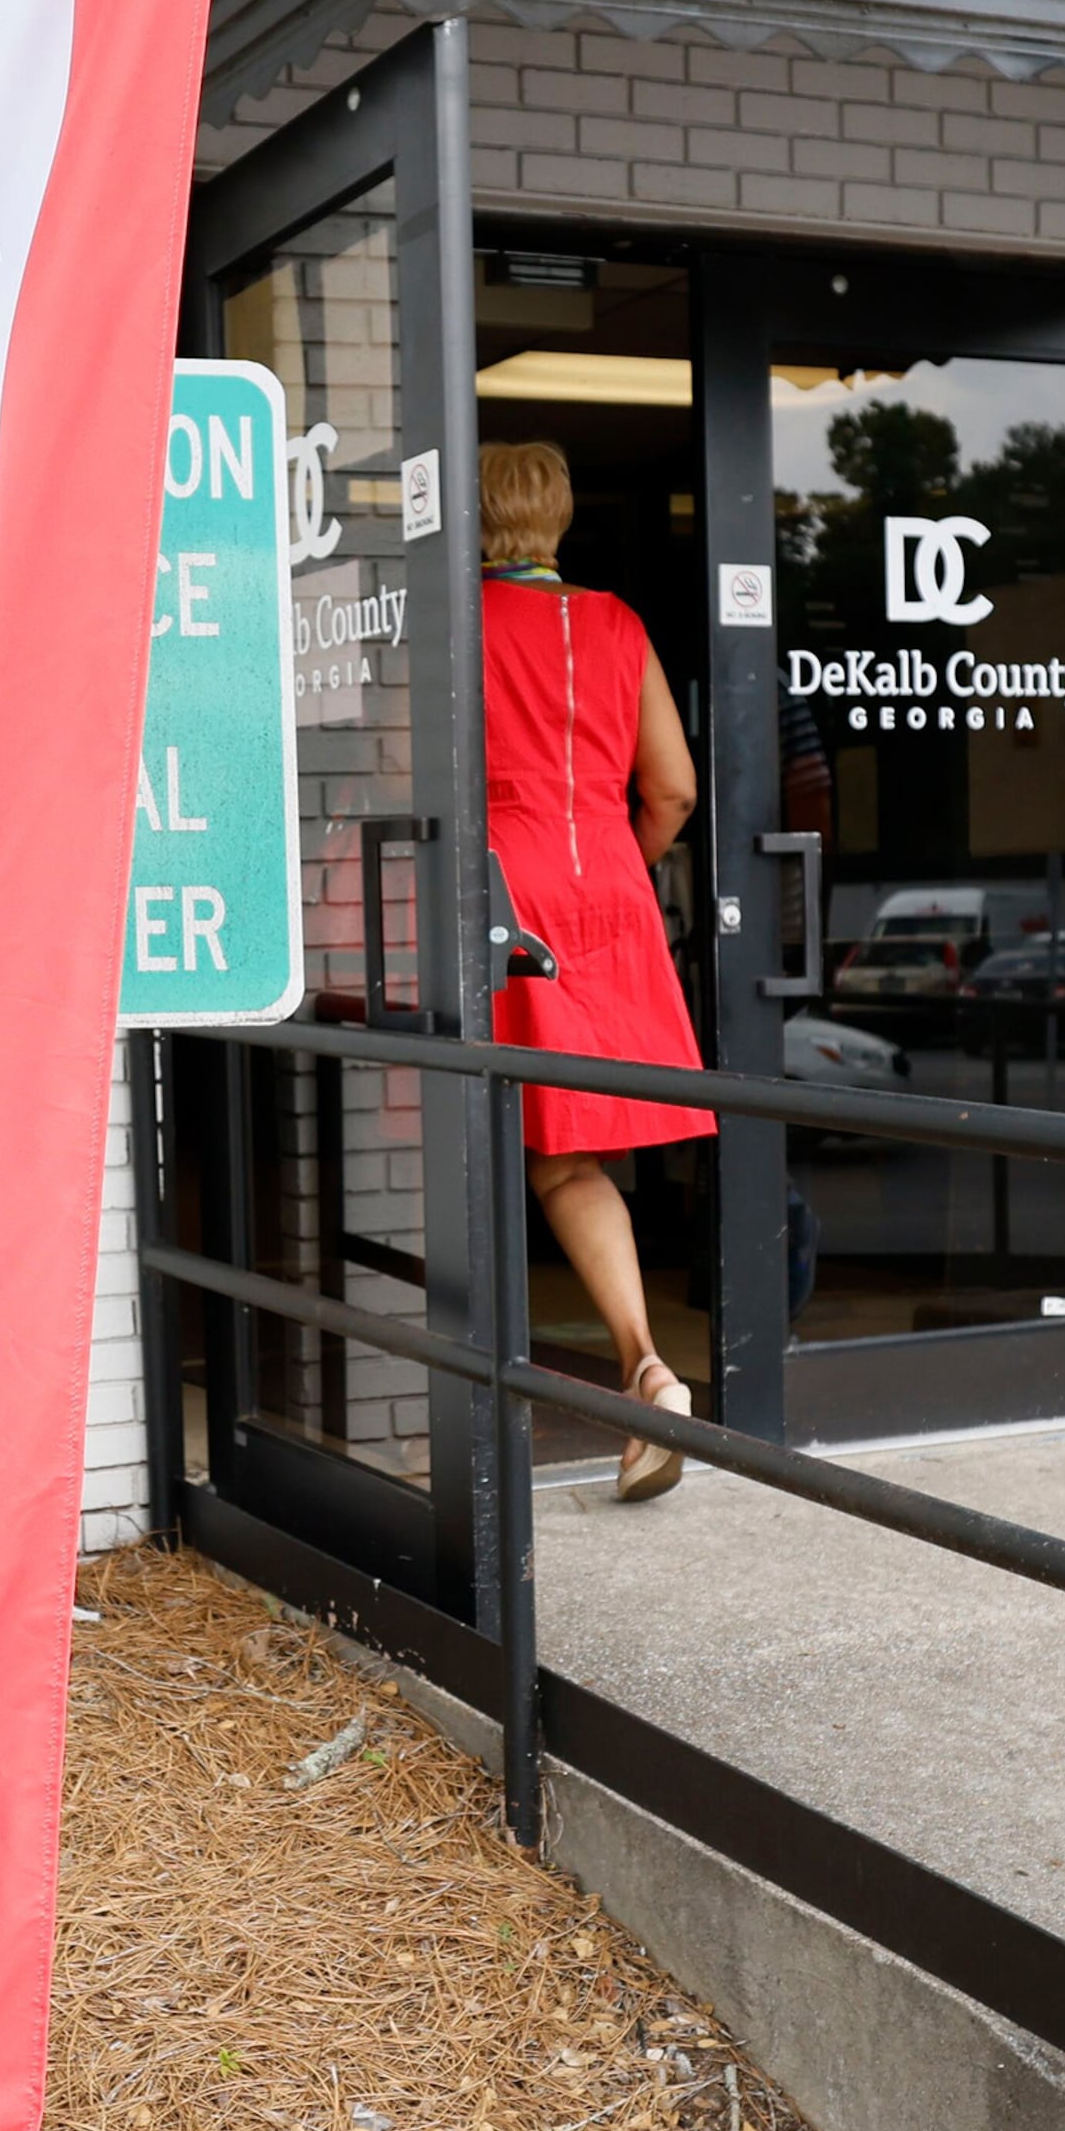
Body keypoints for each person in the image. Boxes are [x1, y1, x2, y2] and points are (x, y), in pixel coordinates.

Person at [479, 440, 716, 1502]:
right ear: (559, 516)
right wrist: (620, 866)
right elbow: (670, 788)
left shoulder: (457, 623)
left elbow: (395, 772)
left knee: (517, 1150)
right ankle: (646, 1368)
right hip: (606, 883)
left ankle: (639, 1371)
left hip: (499, 892)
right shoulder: (616, 622)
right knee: (571, 1155)